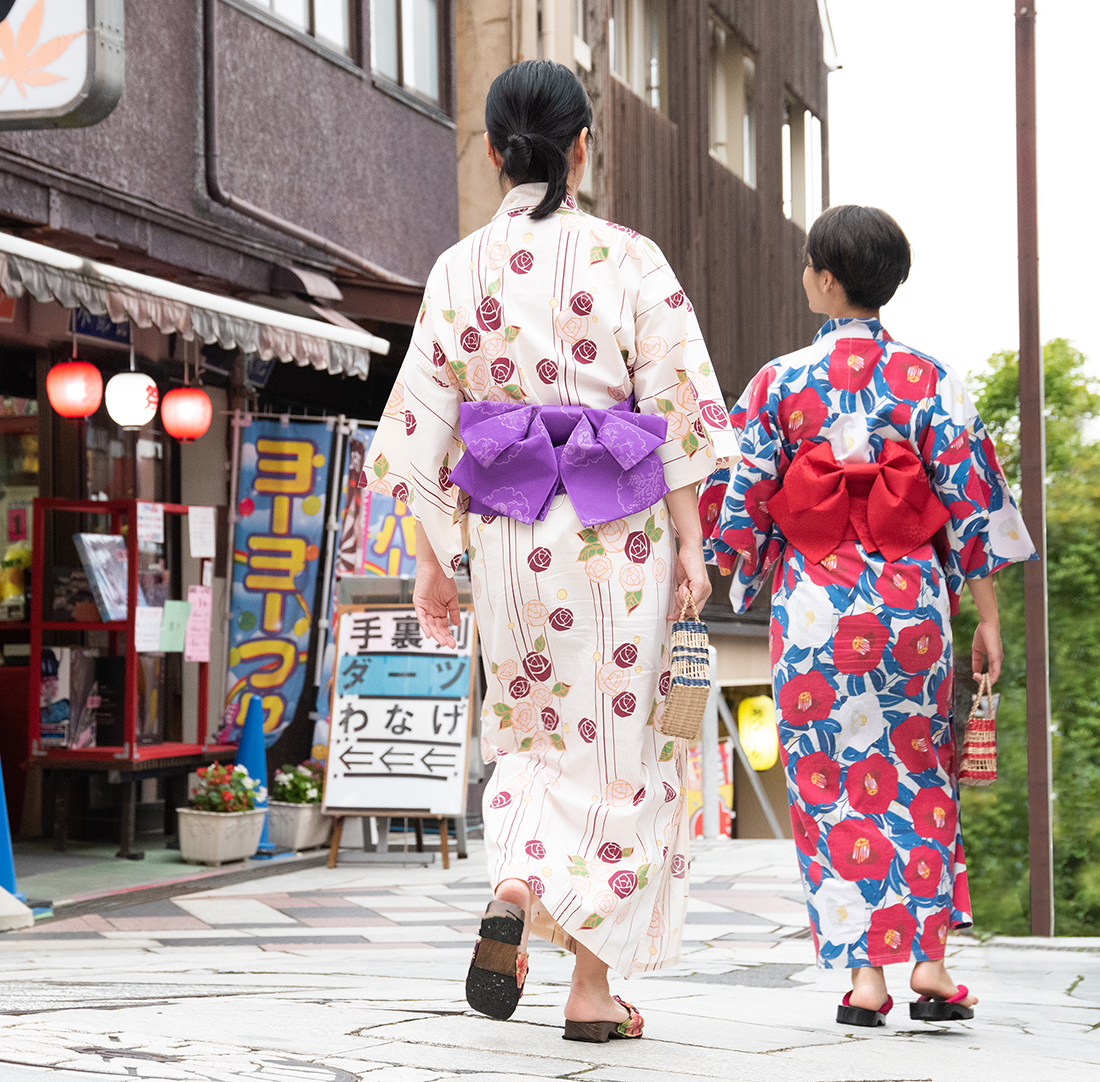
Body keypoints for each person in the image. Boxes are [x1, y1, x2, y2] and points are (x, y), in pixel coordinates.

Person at [366, 60, 739, 1043]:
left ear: (491, 150)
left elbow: (419, 428)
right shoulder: (628, 258)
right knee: (617, 752)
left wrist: (433, 557)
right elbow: (679, 412)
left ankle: (516, 876)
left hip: (508, 531)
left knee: (527, 734)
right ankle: (589, 991)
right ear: (583, 145)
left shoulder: (458, 269)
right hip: (618, 533)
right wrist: (695, 545)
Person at [702, 204, 1037, 1027]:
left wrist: (710, 570)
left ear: (821, 276)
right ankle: (929, 964)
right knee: (920, 774)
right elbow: (971, 501)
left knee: (831, 786)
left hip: (815, 613)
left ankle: (865, 982)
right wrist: (987, 613)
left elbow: (739, 503)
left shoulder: (778, 382)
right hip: (910, 610)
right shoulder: (932, 380)